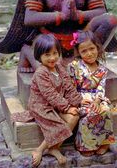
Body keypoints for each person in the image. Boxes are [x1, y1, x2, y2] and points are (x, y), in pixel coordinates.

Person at [11, 34, 82, 167]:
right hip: (41, 106)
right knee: (58, 124)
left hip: (57, 104)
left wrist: (79, 101)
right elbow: (50, 95)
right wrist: (67, 108)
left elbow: (68, 86)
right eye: (47, 55)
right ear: (39, 56)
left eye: (55, 53)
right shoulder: (41, 73)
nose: (52, 58)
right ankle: (39, 150)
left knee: (74, 117)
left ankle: (54, 147)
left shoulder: (59, 67)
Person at [68, 30, 115, 156]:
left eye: (92, 49)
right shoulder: (74, 66)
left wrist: (98, 101)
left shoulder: (102, 70)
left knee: (105, 110)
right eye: (84, 51)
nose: (89, 53)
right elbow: (70, 86)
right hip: (81, 98)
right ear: (78, 52)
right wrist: (77, 100)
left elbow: (101, 86)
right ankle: (86, 146)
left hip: (97, 98)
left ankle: (105, 142)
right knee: (89, 113)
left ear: (97, 48)